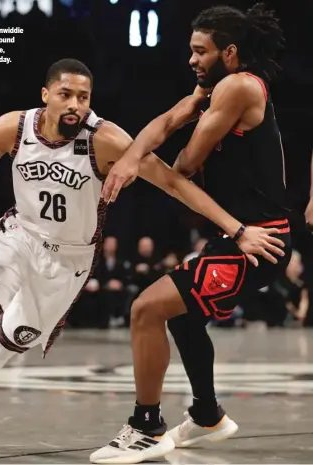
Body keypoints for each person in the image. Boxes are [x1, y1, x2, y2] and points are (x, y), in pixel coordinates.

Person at [0, 58, 283, 453]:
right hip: (20, 238)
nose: (75, 105)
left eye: (83, 97)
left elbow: (173, 183)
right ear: (46, 95)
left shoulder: (104, 139)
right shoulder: (12, 128)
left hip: (68, 264)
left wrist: (237, 229)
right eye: (65, 95)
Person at [92, 4, 292, 463]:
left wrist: (156, 150)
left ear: (231, 52)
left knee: (145, 309)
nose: (192, 59)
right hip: (241, 236)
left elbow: (184, 166)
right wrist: (129, 159)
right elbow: (164, 124)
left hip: (258, 239)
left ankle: (146, 425)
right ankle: (207, 415)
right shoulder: (218, 88)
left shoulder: (238, 87)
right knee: (182, 317)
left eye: (201, 51)